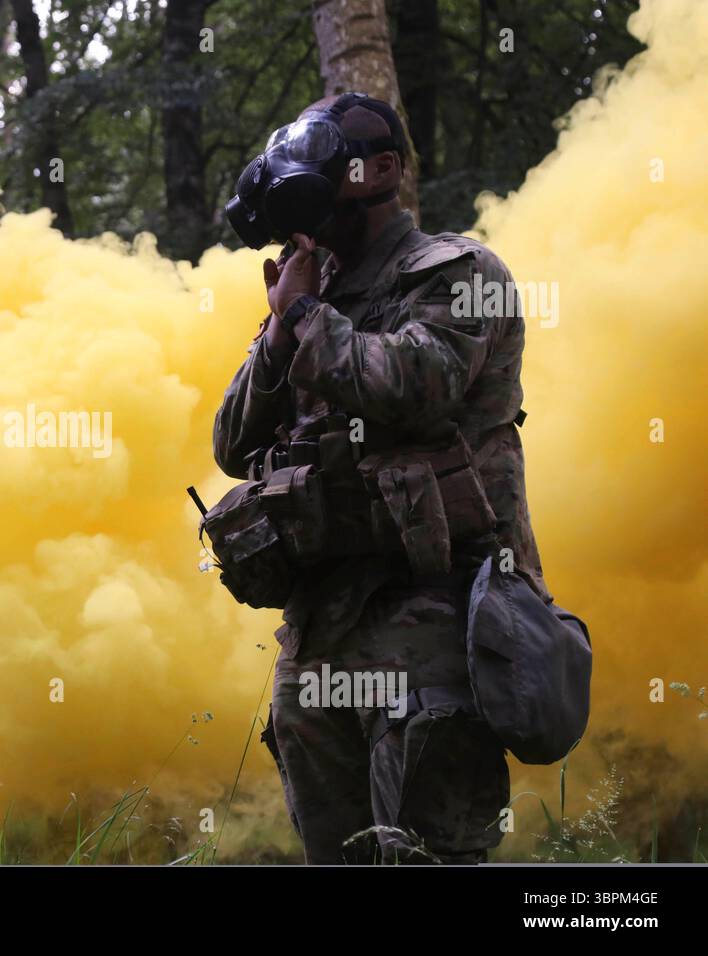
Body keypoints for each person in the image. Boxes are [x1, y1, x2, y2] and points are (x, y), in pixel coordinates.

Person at [214, 93, 549, 864]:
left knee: (424, 855)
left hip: (433, 625)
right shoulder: (310, 295)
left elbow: (417, 381)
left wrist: (302, 320)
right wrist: (277, 332)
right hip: (319, 632)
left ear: (385, 168)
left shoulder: (462, 272)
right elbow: (232, 443)